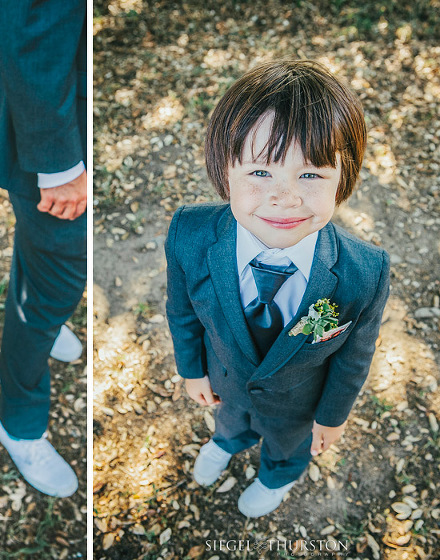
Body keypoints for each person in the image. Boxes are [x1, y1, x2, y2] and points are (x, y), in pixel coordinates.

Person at [165, 60, 390, 518]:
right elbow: (182, 311)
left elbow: (354, 356)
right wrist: (191, 371)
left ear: (341, 178)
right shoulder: (189, 235)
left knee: (290, 446)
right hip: (225, 380)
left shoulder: (363, 272)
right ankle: (227, 443)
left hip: (298, 404)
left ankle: (276, 475)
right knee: (229, 421)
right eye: (260, 173)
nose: (284, 197)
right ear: (224, 170)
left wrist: (332, 416)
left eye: (310, 175)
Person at [0, 1, 86, 497]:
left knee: (43, 257)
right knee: (55, 284)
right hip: (52, 122)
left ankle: (42, 314)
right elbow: (33, 14)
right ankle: (18, 422)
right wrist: (58, 164)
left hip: (69, 95)